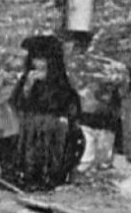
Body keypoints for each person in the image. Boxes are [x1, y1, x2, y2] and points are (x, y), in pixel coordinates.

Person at [9, 34, 86, 191]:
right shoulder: (28, 78)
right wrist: (27, 87)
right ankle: (27, 173)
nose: (37, 64)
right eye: (35, 59)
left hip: (54, 127)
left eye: (42, 60)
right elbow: (18, 103)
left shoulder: (59, 80)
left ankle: (50, 176)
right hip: (30, 126)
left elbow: (66, 106)